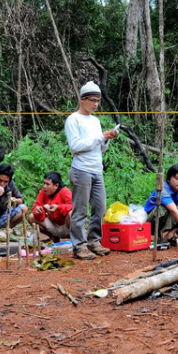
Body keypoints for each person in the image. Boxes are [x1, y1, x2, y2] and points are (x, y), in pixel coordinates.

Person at [65, 81, 118, 260]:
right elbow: (75, 146)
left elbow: (100, 148)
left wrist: (107, 138)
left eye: (98, 101)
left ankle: (94, 241)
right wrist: (100, 137)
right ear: (83, 99)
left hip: (97, 169)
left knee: (100, 208)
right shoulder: (73, 119)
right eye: (93, 100)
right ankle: (79, 246)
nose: (95, 104)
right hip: (81, 169)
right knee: (80, 210)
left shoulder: (95, 121)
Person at [144, 164, 178, 243]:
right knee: (162, 209)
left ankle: (170, 234)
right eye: (177, 178)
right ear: (169, 179)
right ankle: (158, 236)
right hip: (150, 222)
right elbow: (174, 211)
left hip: (166, 217)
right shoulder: (163, 190)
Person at [28, 171, 73, 241]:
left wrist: (58, 207)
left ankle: (76, 239)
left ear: (56, 186)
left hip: (66, 226)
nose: (44, 186)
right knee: (31, 217)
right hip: (53, 225)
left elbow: (74, 206)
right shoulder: (43, 192)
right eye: (44, 183)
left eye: (47, 184)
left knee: (71, 213)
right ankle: (53, 237)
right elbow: (36, 206)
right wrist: (38, 211)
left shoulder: (65, 191)